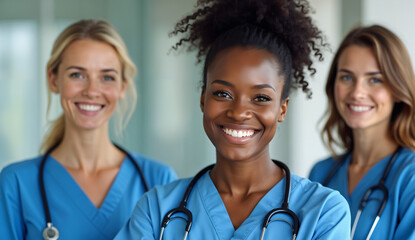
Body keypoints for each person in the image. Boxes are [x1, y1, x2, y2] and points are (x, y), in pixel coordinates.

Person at [115, 0, 351, 239]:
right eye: (222, 93)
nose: (239, 112)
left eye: (260, 97)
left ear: (282, 109)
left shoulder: (323, 212)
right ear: (202, 98)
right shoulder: (157, 209)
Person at [0, 19, 177, 240]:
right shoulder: (16, 184)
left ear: (122, 86)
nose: (92, 91)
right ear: (54, 80)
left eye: (107, 77)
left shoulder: (158, 179)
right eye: (77, 75)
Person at [309, 25, 415, 239]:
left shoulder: (410, 175)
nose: (357, 92)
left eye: (375, 80)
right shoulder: (321, 174)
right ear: (333, 85)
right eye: (347, 77)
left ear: (397, 90)